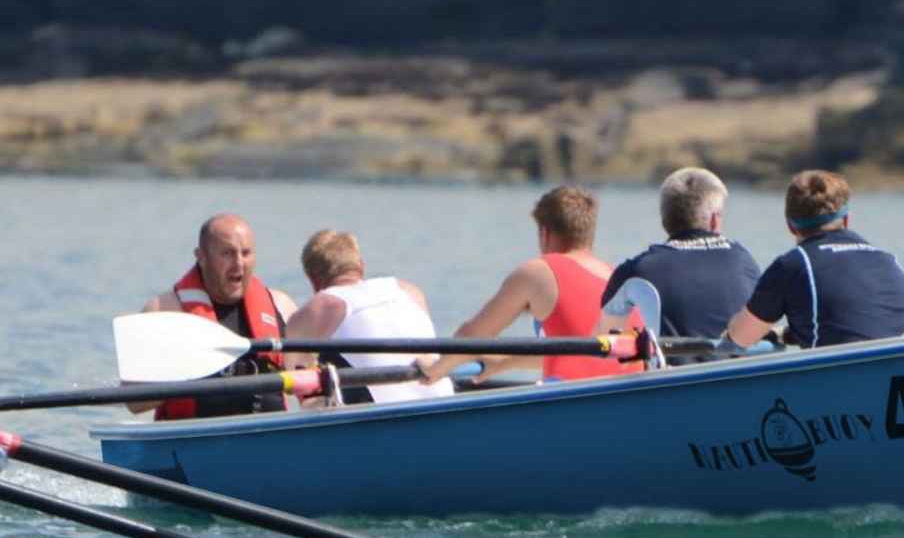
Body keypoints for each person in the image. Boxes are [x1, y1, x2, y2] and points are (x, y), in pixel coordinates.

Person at [419, 185, 641, 385]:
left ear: (544, 233)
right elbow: (583, 352)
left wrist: (434, 368)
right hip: (626, 399)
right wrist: (507, 361)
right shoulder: (617, 277)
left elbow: (474, 336)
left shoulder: (537, 272)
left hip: (573, 406)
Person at [724, 169, 904, 350]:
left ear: (791, 227)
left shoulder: (793, 265)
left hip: (851, 375)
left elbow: (740, 338)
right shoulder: (888, 259)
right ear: (846, 220)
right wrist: (791, 333)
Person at [138, 213, 298, 418]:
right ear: (201, 257)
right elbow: (134, 401)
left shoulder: (282, 305)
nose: (239, 263)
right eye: (227, 253)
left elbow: (313, 390)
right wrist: (185, 368)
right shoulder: (163, 311)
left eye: (246, 253)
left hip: (271, 437)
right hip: (193, 441)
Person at [283, 229, 453, 404]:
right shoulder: (409, 290)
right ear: (361, 266)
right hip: (444, 403)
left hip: (384, 417)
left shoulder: (322, 305)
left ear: (313, 280)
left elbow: (300, 385)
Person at [599, 167, 760, 338]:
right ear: (714, 220)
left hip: (675, 364)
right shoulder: (744, 261)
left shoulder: (637, 270)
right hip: (739, 363)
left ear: (664, 219)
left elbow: (606, 338)